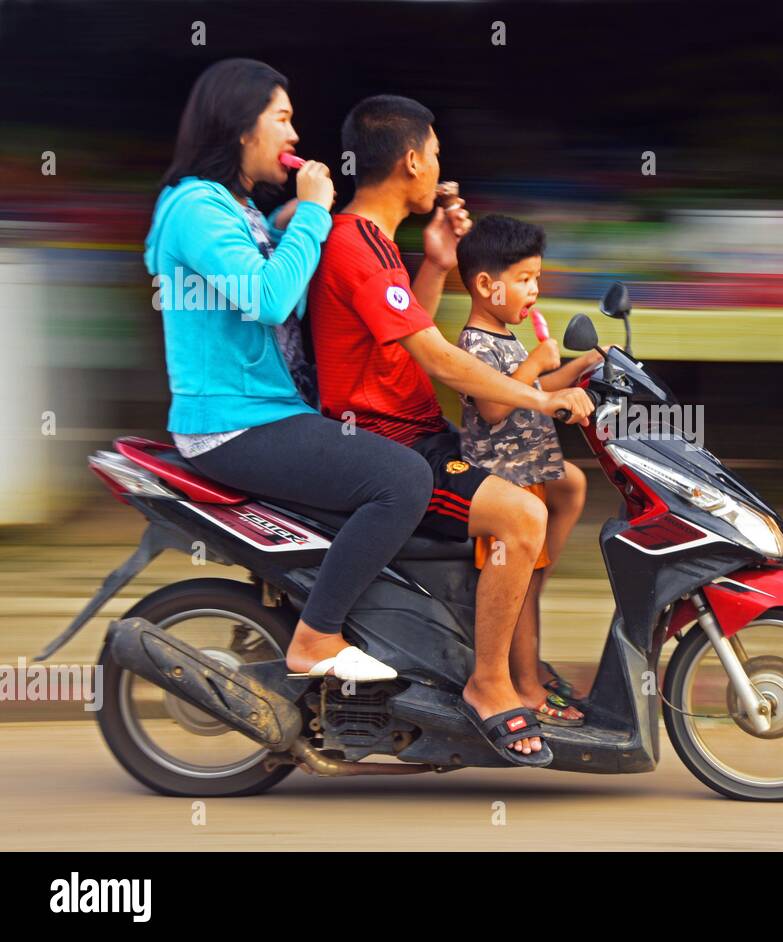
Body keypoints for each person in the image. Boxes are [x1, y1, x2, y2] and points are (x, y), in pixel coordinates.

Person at [308, 95, 594, 765]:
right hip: (393, 444)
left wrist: (436, 262)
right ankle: (489, 683)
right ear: (411, 160)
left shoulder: (376, 243)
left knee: (552, 489)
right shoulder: (354, 245)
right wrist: (538, 397)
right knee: (521, 517)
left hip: (414, 430)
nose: (439, 168)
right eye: (434, 155)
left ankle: (512, 661)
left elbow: (395, 345)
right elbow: (439, 358)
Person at [144, 60, 433, 683]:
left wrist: (288, 226)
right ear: (240, 128)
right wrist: (309, 213)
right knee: (403, 481)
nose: (295, 133)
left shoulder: (234, 209)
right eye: (282, 118)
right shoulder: (195, 206)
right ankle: (315, 639)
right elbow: (268, 299)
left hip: (274, 413)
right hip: (235, 423)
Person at [455, 215, 604, 727]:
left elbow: (537, 396)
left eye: (537, 279)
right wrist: (537, 364)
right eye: (524, 280)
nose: (534, 292)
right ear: (484, 285)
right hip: (505, 488)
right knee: (520, 591)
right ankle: (527, 689)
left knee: (573, 490)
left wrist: (582, 366)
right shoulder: (476, 343)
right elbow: (496, 407)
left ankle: (530, 672)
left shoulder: (507, 336)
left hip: (532, 478)